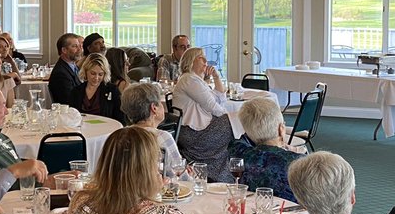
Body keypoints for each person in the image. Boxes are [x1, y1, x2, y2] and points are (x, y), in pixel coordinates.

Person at [170, 47, 232, 182]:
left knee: (236, 124)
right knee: (237, 122)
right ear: (191, 61)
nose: (205, 61)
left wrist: (216, 77)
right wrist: (231, 118)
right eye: (201, 57)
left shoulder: (198, 81)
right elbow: (213, 107)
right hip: (192, 133)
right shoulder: (189, 80)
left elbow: (221, 99)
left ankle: (222, 171)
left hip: (199, 129)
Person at [228, 97, 300, 203]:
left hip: (252, 210)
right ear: (281, 129)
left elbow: (242, 139)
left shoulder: (237, 151)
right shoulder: (299, 162)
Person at [120, 82, 182, 169]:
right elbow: (178, 171)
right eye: (159, 102)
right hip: (154, 182)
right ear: (154, 108)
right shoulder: (162, 137)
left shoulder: (120, 135)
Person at [66, 53, 123, 122]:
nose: (96, 78)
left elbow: (120, 118)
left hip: (106, 130)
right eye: (93, 73)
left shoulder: (112, 90)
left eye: (100, 74)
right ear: (85, 71)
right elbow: (71, 117)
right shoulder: (76, 91)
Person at [47, 32, 83, 107]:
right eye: (74, 46)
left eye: (79, 46)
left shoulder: (73, 66)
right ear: (64, 50)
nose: (80, 49)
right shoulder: (60, 73)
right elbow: (69, 100)